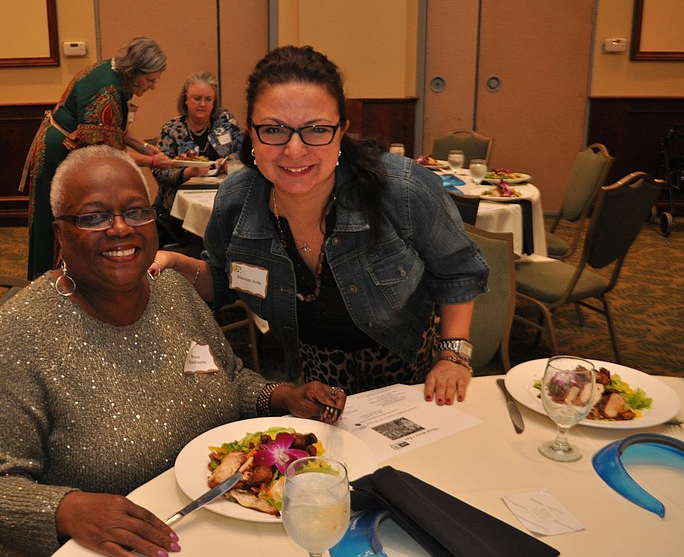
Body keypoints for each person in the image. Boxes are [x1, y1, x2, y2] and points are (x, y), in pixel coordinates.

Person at [0, 145, 346, 556]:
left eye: (137, 211)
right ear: (60, 232)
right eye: (93, 217)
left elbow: (230, 378)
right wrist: (65, 508)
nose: (121, 228)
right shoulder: (21, 333)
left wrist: (282, 396)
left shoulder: (173, 291)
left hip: (208, 520)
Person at [153, 46, 489, 405]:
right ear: (251, 132)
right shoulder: (236, 203)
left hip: (412, 375)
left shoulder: (400, 189)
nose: (295, 150)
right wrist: (173, 263)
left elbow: (458, 271)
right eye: (273, 129)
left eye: (316, 130)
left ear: (341, 131)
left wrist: (453, 356)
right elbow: (225, 280)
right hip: (316, 383)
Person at [22, 36, 174, 280]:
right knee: (55, 225)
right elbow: (108, 160)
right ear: (135, 71)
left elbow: (116, 128)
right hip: (58, 155)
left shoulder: (111, 71)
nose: (152, 86)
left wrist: (145, 147)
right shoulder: (106, 94)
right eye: (150, 80)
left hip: (61, 147)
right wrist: (155, 162)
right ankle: (52, 285)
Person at [152, 71, 243, 247]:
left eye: (208, 99)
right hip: (175, 208)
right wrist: (186, 173)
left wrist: (228, 162)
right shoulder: (172, 128)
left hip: (223, 197)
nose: (202, 104)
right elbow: (159, 171)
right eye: (196, 98)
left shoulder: (225, 121)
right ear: (185, 99)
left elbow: (245, 152)